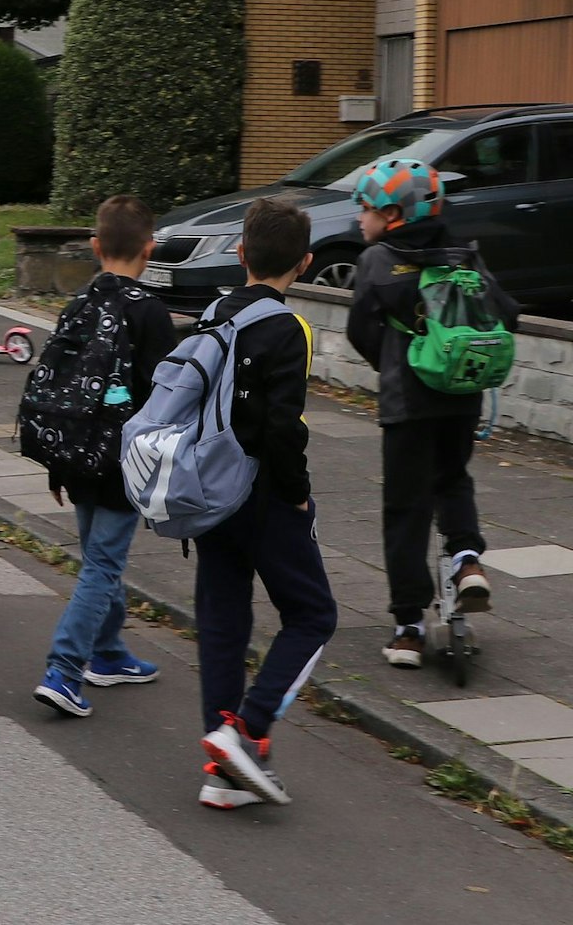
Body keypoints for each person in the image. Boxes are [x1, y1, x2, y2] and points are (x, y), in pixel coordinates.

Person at [192, 196, 338, 807]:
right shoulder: (289, 328)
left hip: (209, 492)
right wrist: (298, 497)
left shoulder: (211, 313)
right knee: (313, 615)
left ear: (240, 252)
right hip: (263, 496)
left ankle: (223, 772)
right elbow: (284, 428)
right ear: (303, 264)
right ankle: (246, 732)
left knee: (223, 620)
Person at [345, 158, 518, 669]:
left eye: (366, 207)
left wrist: (395, 363)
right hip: (462, 396)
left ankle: (408, 627)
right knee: (452, 480)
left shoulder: (378, 260)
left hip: (408, 405)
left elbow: (361, 329)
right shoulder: (465, 254)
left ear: (394, 213)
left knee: (406, 509)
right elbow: (506, 312)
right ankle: (467, 560)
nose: (359, 217)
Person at [30, 195, 177, 717]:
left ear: (95, 247)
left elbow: (59, 387)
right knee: (102, 564)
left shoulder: (78, 306)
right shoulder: (151, 314)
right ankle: (65, 670)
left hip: (76, 454)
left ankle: (109, 654)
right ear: (150, 248)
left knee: (98, 559)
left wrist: (56, 461)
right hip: (122, 460)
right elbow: (168, 398)